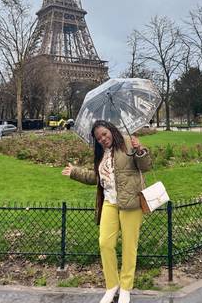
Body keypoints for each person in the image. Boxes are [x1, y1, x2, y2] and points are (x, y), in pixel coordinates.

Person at [62, 120, 152, 303]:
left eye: (104, 134)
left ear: (111, 130)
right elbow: (97, 177)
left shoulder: (128, 142)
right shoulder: (101, 153)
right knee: (105, 243)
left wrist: (140, 149)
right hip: (109, 203)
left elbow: (145, 166)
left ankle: (126, 288)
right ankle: (112, 285)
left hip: (131, 202)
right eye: (98, 137)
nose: (103, 139)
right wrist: (75, 172)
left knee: (129, 246)